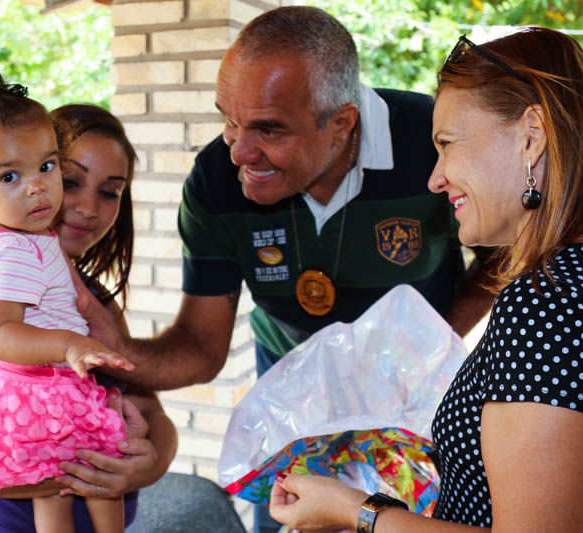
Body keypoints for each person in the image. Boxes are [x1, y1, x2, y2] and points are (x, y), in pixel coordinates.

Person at [71, 7, 495, 533]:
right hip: (292, 392)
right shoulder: (214, 181)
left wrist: (421, 343)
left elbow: (506, 253)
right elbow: (201, 348)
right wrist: (118, 352)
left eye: (269, 129)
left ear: (343, 123)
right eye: (229, 119)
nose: (239, 151)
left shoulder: (430, 142)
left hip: (413, 396)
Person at [267, 26, 583, 533]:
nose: (436, 177)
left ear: (531, 134)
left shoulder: (550, 304)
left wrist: (358, 511)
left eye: (447, 144)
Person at [0, 96, 177, 532]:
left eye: (109, 192)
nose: (88, 207)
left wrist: (148, 464)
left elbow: (153, 414)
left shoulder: (92, 297)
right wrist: (72, 471)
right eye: (72, 181)